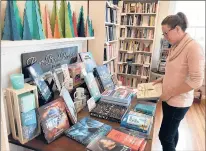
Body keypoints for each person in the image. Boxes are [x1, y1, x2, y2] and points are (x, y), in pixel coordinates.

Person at [153, 12, 205, 151]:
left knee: (164, 136)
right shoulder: (176, 45)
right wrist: (162, 79)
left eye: (166, 33)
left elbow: (196, 81)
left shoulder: (193, 48)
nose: (164, 37)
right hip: (168, 98)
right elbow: (176, 71)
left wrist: (169, 93)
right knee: (172, 132)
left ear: (177, 29)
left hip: (178, 101)